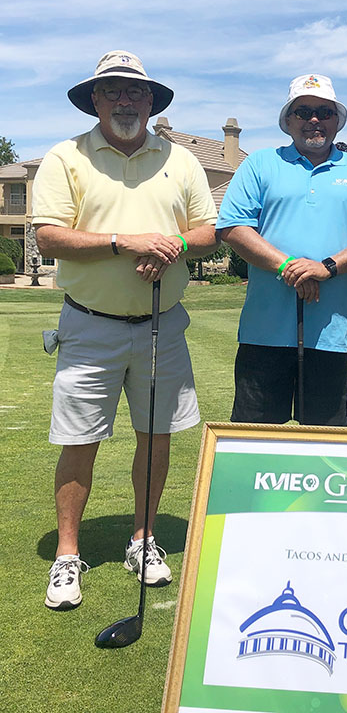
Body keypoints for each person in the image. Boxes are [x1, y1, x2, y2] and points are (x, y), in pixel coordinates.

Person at [32, 50, 218, 610]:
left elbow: (208, 230)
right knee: (78, 439)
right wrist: (124, 242)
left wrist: (174, 245)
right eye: (112, 91)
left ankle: (144, 537)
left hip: (163, 325)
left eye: (134, 92)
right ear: (95, 99)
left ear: (150, 100)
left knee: (156, 435)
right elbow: (47, 236)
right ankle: (68, 555)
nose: (124, 100)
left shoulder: (180, 160)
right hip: (90, 327)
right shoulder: (66, 157)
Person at [217, 74, 347, 426]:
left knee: (323, 447)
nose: (314, 119)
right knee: (256, 442)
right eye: (304, 111)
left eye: (324, 112)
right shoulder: (260, 164)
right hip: (263, 333)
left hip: (331, 334)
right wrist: (291, 267)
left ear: (337, 121)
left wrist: (326, 267)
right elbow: (233, 227)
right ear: (289, 121)